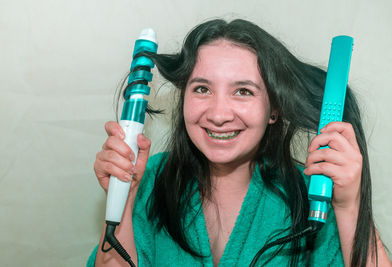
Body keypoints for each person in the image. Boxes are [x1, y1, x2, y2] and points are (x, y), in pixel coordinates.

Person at [88, 19, 391, 266]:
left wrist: (350, 206)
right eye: (202, 89)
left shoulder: (309, 198)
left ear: (274, 109)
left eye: (243, 91)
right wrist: (125, 200)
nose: (218, 115)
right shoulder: (152, 178)